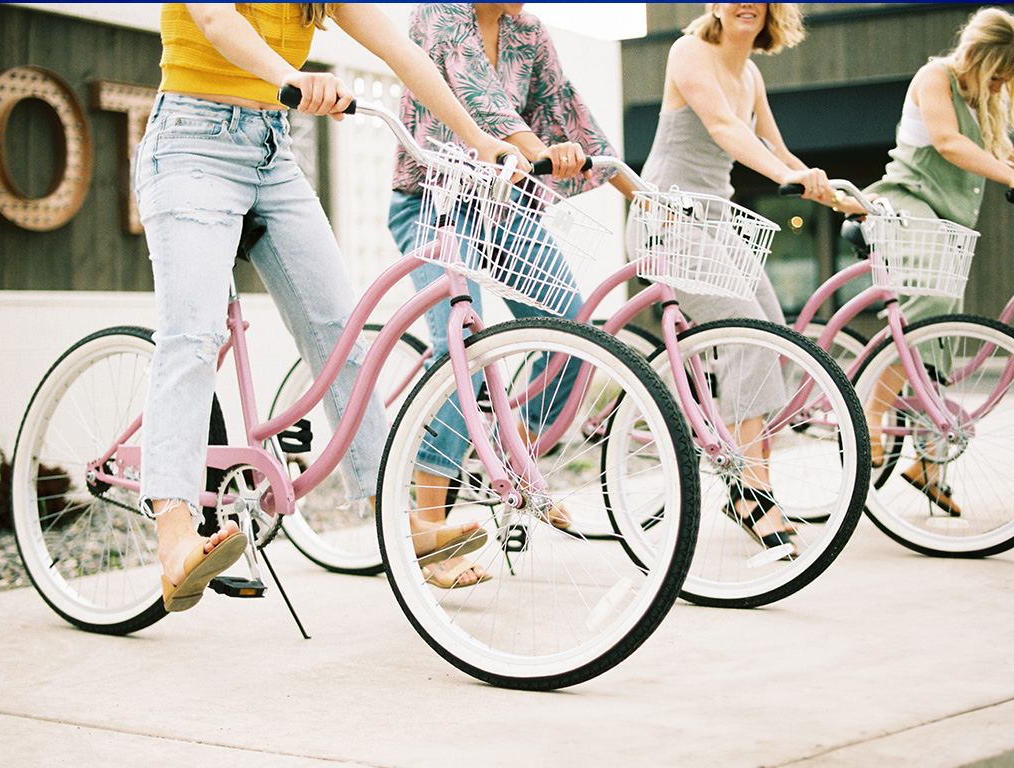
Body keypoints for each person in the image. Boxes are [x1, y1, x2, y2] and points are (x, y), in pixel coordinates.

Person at [135, 2, 528, 612]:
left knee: (341, 332)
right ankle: (174, 531)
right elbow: (216, 23)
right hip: (191, 144)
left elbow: (406, 55)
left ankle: (395, 525)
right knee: (193, 333)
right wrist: (288, 76)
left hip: (270, 148)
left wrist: (479, 140)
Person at [386, 2, 637, 589]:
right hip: (435, 199)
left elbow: (570, 112)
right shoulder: (440, 14)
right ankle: (429, 532)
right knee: (463, 355)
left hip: (503, 206)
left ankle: (512, 445)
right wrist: (526, 143)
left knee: (575, 331)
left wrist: (635, 189)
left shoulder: (528, 32)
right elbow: (479, 100)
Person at [626, 3, 860, 558]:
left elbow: (779, 151)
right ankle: (752, 491)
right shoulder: (689, 51)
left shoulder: (750, 73)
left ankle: (749, 474)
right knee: (747, 330)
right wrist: (787, 177)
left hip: (717, 221)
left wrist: (834, 192)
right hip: (668, 216)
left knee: (772, 334)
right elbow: (725, 128)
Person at [860, 5, 1014, 515]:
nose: (1000, 90)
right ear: (980, 58)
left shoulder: (987, 98)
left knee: (939, 334)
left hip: (947, 221)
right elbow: (946, 143)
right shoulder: (935, 76)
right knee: (927, 305)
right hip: (905, 201)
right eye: (999, 78)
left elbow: (1005, 153)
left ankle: (928, 462)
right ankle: (872, 413)